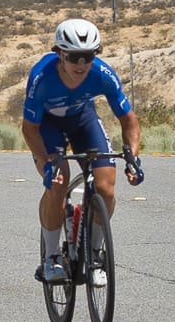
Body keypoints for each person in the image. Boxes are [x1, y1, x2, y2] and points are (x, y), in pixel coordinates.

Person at [20, 18, 143, 284]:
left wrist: (132, 156)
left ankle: (96, 256)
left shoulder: (103, 74)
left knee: (106, 187)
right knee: (58, 182)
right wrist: (45, 162)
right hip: (48, 126)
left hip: (82, 120)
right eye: (74, 57)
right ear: (60, 55)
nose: (81, 65)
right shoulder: (41, 77)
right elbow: (29, 128)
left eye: (87, 57)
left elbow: (128, 119)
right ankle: (51, 257)